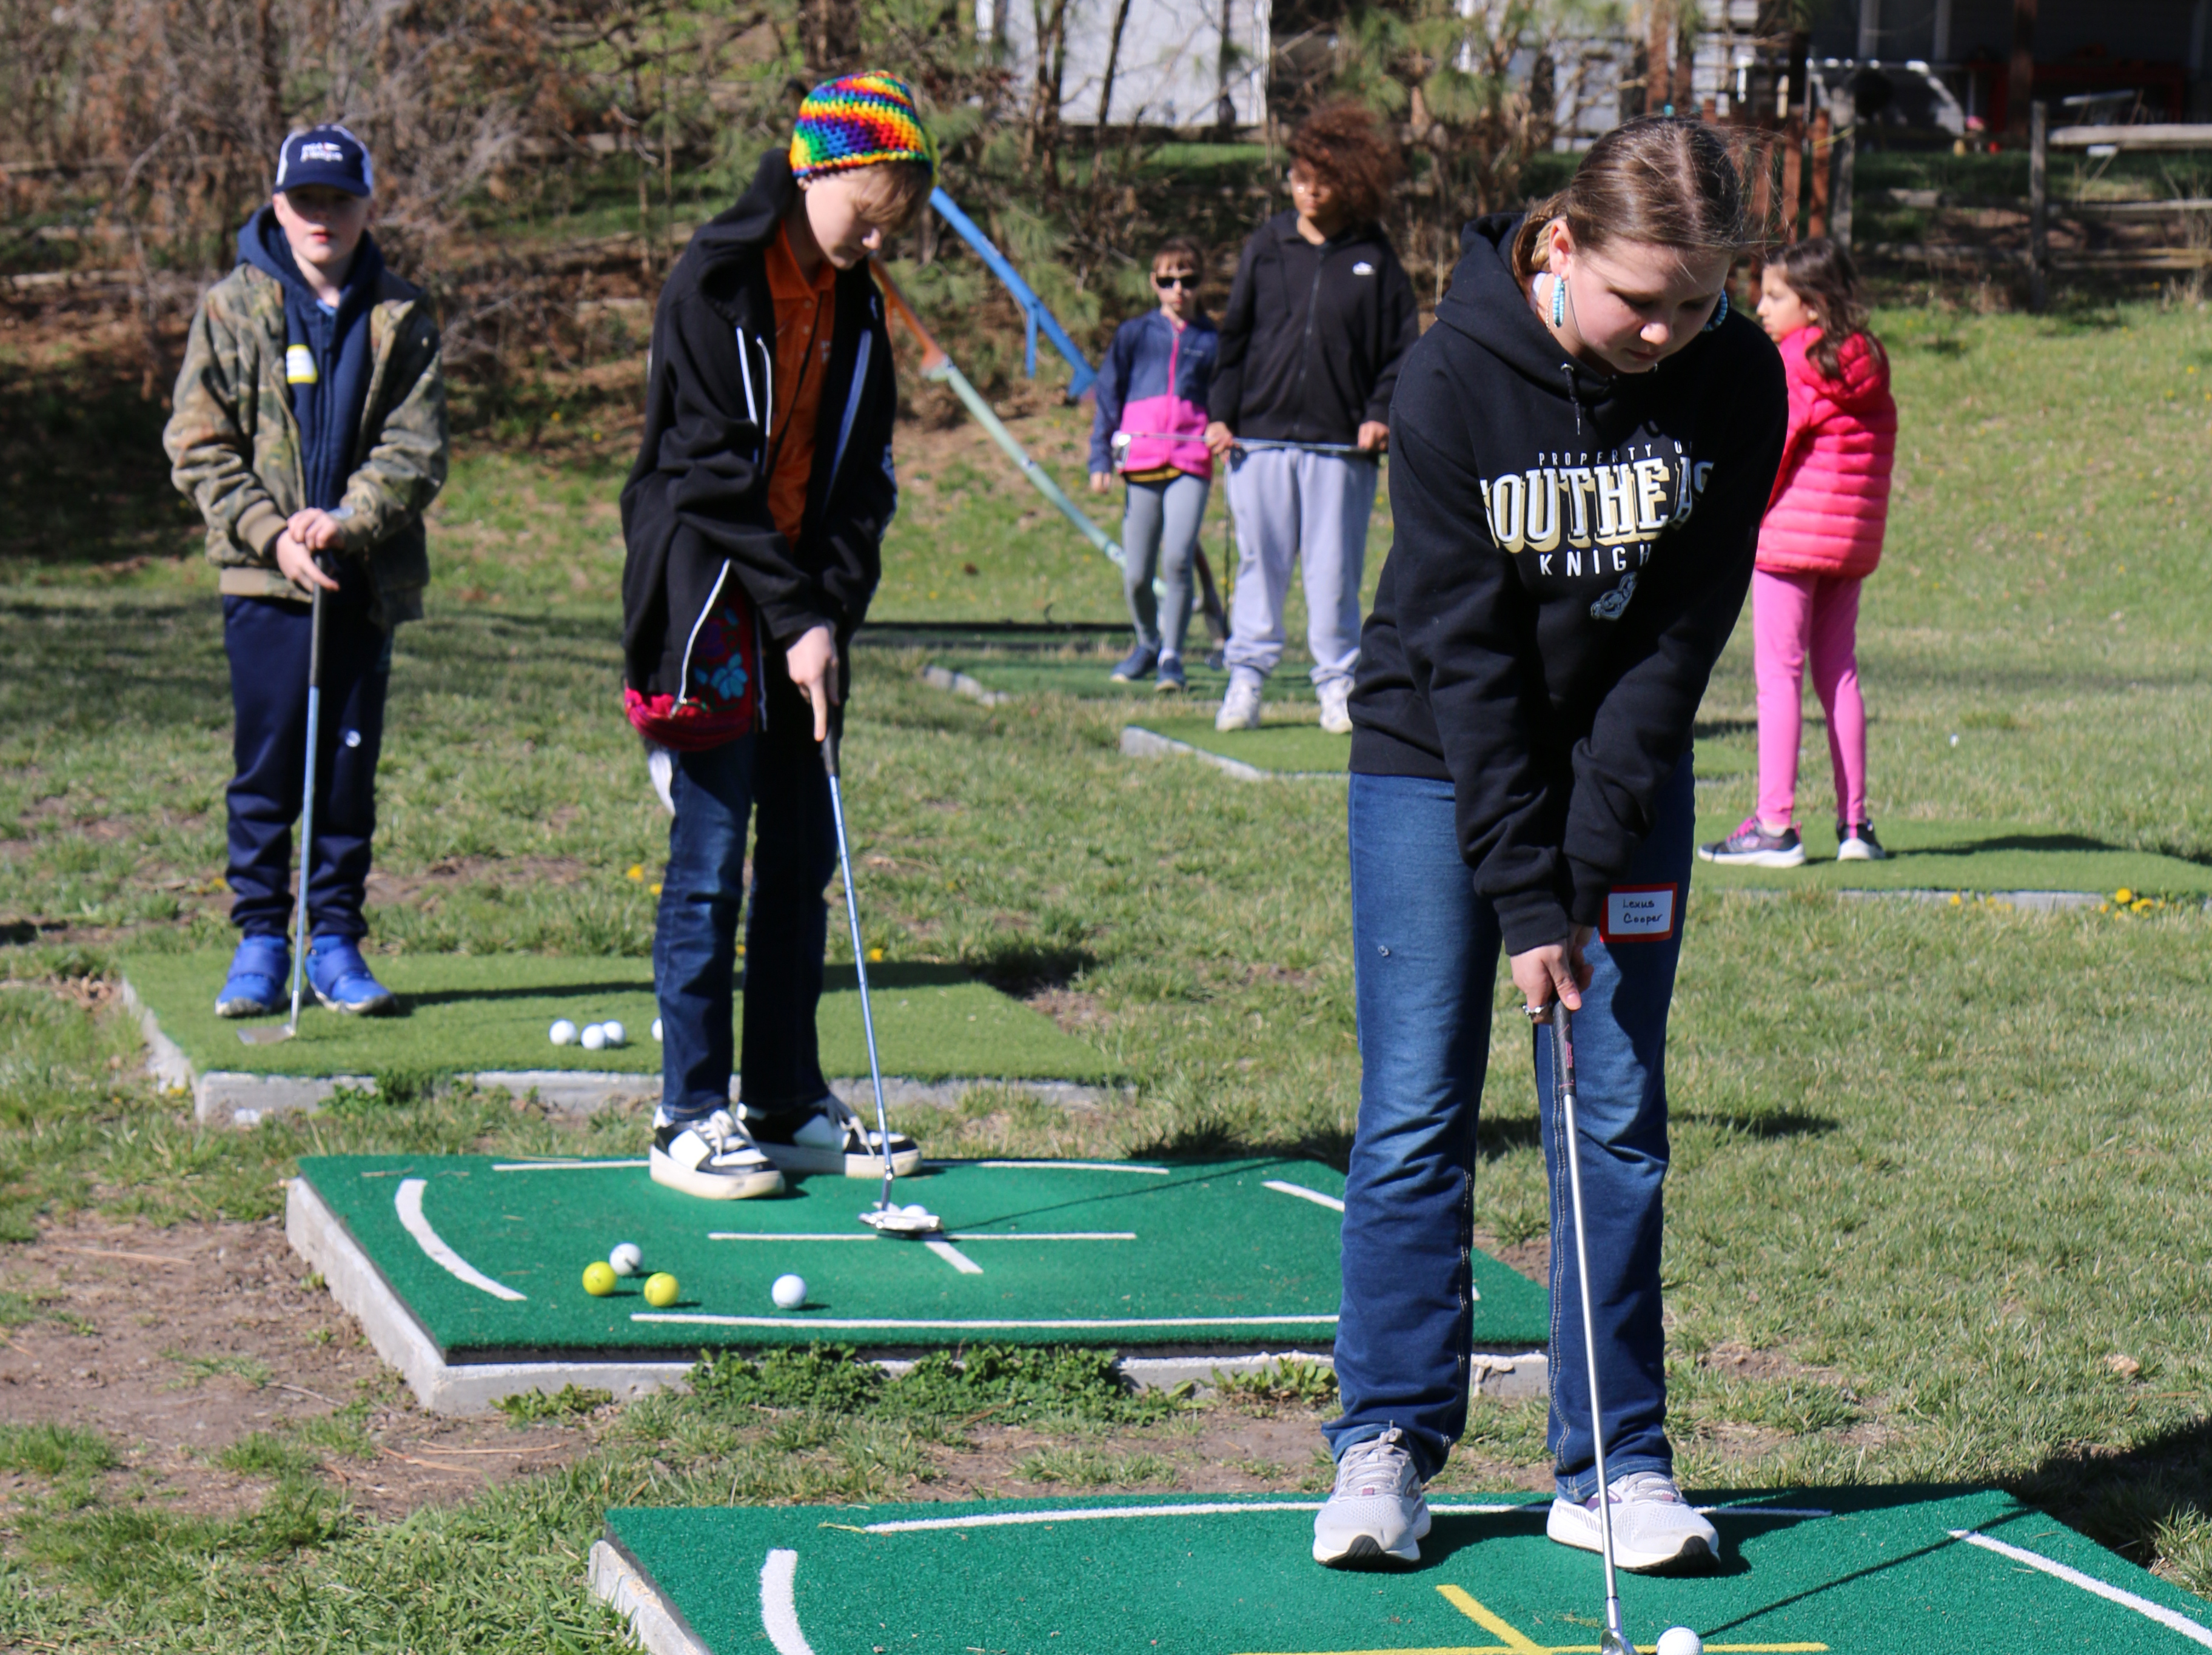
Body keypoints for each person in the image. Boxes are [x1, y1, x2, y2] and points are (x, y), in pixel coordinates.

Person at [1315, 118, 1786, 1573]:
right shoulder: (1453, 374)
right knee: (1412, 1111)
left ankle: (1616, 1458)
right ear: (1560, 248)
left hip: (1621, 769)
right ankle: (1385, 1437)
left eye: (1696, 302)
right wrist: (1529, 895)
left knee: (1615, 1118)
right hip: (1430, 757)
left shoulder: (1736, 376)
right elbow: (1463, 657)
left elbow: (1675, 641)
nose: (1665, 330)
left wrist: (1583, 874)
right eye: (1641, 298)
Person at [619, 71, 934, 1201]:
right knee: (709, 863)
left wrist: (829, 613)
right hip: (711, 602)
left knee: (799, 863)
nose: (881, 232)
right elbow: (703, 471)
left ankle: (785, 1094)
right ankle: (686, 1110)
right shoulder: (714, 279)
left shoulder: (857, 301)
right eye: (872, 207)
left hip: (805, 617)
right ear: (818, 171)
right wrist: (791, 615)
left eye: (896, 216)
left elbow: (863, 483)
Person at [165, 124, 448, 1021]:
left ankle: (334, 939)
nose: (323, 216)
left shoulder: (403, 315)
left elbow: (417, 449)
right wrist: (270, 534)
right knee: (270, 764)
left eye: (340, 200)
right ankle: (259, 937)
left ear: (370, 205)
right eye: (306, 200)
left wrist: (350, 520)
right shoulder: (231, 307)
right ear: (279, 205)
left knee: (346, 769)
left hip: (361, 582)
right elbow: (198, 445)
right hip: (265, 585)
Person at [1205, 104, 1417, 736]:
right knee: (1258, 565)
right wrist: (1221, 415)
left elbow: (1402, 348)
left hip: (1339, 448)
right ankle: (1245, 681)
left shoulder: (1373, 256)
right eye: (1300, 177)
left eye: (1323, 179)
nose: (1310, 190)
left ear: (1351, 181)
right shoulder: (1268, 245)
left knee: (1333, 573)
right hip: (1257, 439)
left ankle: (1337, 686)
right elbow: (1235, 336)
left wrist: (1379, 413)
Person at [1699, 237, 1896, 868]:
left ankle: (1775, 825)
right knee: (1839, 675)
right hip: (1849, 543)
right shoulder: (1868, 362)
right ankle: (1856, 825)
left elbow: (1771, 448)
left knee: (1777, 679)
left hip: (1787, 542)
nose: (1761, 305)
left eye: (1777, 295)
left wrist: (1733, 509)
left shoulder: (1792, 360)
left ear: (1812, 305)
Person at [1088, 237, 1219, 694]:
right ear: (1153, 283)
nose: (1178, 289)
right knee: (1139, 571)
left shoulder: (1211, 340)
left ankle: (1172, 656)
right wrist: (1100, 455)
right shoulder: (1134, 334)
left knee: (1179, 558)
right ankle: (1147, 643)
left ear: (1201, 283)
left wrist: (1222, 429)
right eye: (1167, 280)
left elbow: (1225, 400)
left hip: (1189, 460)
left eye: (1187, 280)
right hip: (1141, 460)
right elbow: (1108, 395)